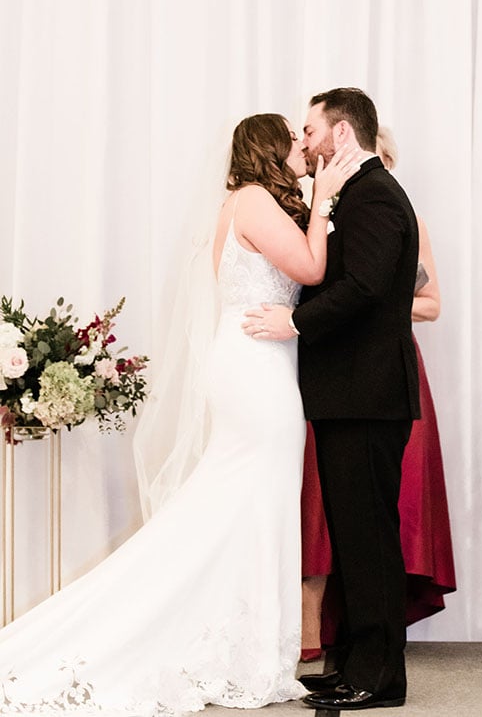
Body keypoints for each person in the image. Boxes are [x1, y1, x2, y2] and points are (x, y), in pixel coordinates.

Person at [0, 113, 358, 715]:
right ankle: (229, 644)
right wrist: (323, 199)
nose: (305, 145)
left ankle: (249, 647)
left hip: (260, 363)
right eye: (294, 138)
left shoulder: (250, 203)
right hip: (255, 369)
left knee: (251, 503)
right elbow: (311, 270)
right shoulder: (251, 203)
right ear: (270, 148)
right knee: (248, 500)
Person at [243, 89, 419, 712]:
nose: (307, 140)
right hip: (354, 393)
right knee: (356, 535)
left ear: (342, 133)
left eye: (312, 129)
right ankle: (361, 665)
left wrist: (295, 322)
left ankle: (377, 677)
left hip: (366, 394)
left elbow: (367, 289)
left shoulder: (372, 195)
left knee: (369, 536)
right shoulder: (359, 191)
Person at [299, 126, 456, 661]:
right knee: (348, 522)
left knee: (374, 525)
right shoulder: (338, 212)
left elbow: (389, 295)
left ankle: (377, 666)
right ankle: (356, 653)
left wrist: (297, 321)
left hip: (373, 377)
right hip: (344, 381)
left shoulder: (386, 206)